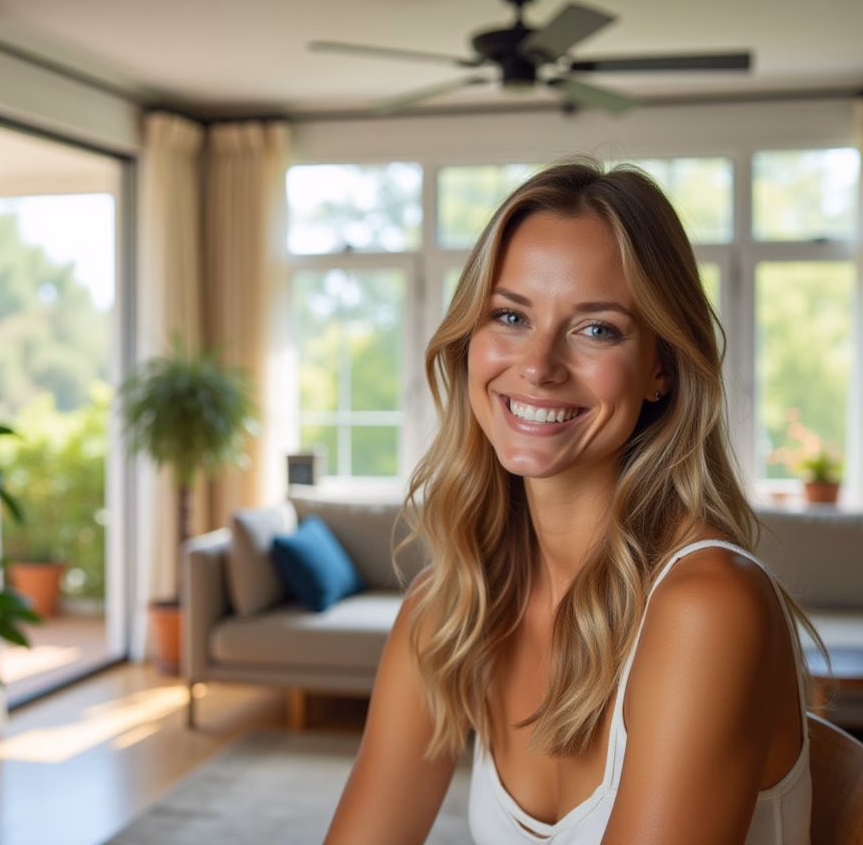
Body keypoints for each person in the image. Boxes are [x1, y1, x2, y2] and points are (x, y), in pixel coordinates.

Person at [326, 159, 819, 845]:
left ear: (661, 369)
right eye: (509, 315)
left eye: (596, 329)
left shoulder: (708, 606)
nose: (538, 365)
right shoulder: (449, 609)